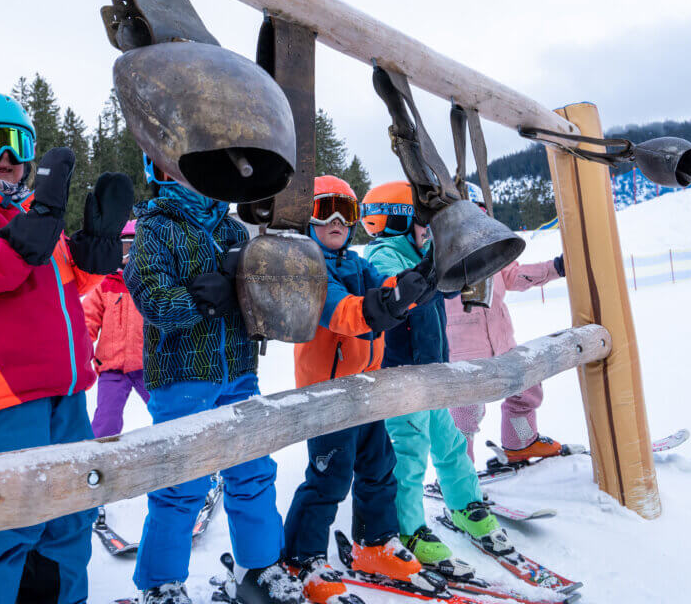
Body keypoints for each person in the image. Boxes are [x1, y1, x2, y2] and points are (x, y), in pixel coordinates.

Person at [0, 91, 133, 604]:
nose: (6, 157)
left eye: (18, 143)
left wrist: (98, 242)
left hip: (67, 389)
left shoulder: (33, 216)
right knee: (2, 527)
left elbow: (74, 281)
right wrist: (41, 218)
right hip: (3, 394)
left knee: (67, 520)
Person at [124, 154, 303, 604]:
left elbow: (255, 305)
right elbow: (154, 301)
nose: (197, 178)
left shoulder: (232, 230)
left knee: (254, 472)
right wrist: (204, 301)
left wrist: (261, 298)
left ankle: (258, 567)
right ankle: (161, 584)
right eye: (183, 167)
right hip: (182, 376)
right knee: (181, 483)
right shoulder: (155, 227)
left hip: (239, 373)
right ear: (161, 173)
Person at [282, 176, 434, 603]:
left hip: (364, 388)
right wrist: (384, 306)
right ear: (306, 219)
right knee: (329, 479)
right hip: (327, 395)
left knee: (378, 466)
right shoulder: (305, 268)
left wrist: (409, 288)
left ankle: (375, 543)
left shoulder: (355, 263)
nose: (335, 220)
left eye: (345, 212)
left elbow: (382, 286)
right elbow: (340, 311)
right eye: (324, 209)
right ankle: (302, 557)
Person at [362, 180, 514, 571]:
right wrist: (433, 268)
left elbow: (441, 289)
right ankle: (409, 527)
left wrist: (460, 262)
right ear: (397, 222)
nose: (428, 231)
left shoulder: (418, 251)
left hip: (431, 373)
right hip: (399, 377)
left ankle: (465, 505)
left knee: (449, 446)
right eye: (423, 223)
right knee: (409, 454)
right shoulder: (383, 255)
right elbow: (400, 290)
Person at [446, 182, 567, 463]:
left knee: (527, 388)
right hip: (463, 356)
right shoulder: (440, 255)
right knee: (465, 416)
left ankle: (520, 441)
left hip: (503, 346)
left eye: (478, 214)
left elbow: (514, 276)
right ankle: (458, 472)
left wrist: (555, 268)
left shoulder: (494, 251)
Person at [85, 219, 147, 439]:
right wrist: (79, 351)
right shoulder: (105, 284)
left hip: (146, 367)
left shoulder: (148, 284)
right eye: (122, 249)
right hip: (111, 367)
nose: (126, 256)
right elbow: (87, 321)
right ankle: (98, 461)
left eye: (132, 249)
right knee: (106, 421)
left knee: (166, 411)